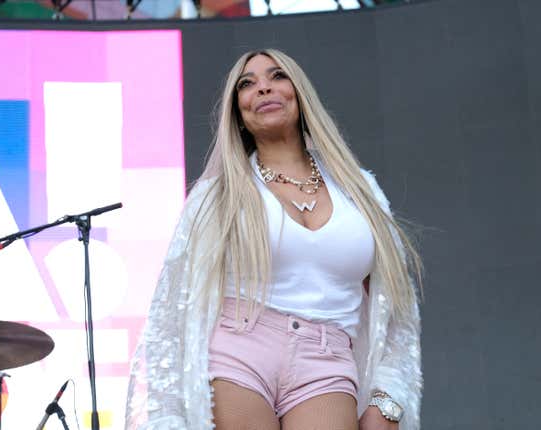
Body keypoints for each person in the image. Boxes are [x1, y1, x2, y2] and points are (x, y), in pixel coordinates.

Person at [125, 49, 422, 430]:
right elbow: (169, 312)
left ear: (299, 94)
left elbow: (398, 309)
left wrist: (387, 398)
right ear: (240, 114)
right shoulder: (217, 195)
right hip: (238, 347)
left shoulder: (361, 190)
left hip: (327, 358)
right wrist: (165, 416)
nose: (263, 87)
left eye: (277, 76)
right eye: (247, 84)